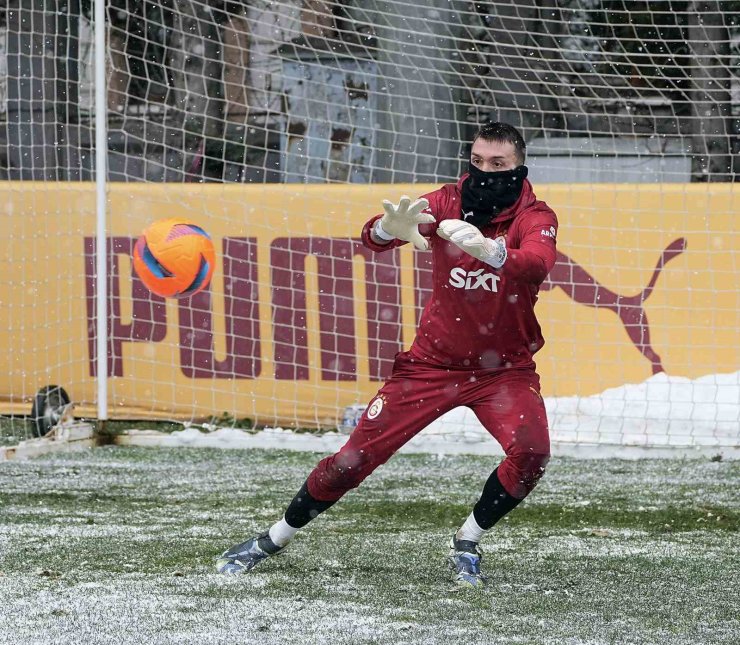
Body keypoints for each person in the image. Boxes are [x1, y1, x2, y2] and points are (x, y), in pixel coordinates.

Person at [217, 122, 558, 587]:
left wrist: (492, 252)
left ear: (519, 165)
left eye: (498, 165)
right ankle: (271, 539)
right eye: (477, 162)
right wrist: (384, 228)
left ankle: (468, 540)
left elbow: (537, 264)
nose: (485, 172)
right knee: (350, 462)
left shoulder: (535, 216)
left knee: (532, 453)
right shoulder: (444, 201)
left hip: (504, 372)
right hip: (431, 366)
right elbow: (372, 240)